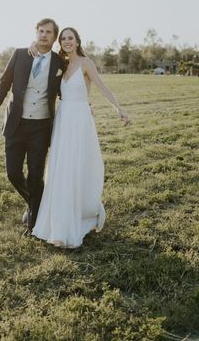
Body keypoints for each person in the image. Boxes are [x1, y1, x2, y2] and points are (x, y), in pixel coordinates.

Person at [31, 27, 130, 248]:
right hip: (63, 119)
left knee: (75, 168)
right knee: (60, 168)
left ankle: (75, 221)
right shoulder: (59, 63)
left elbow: (103, 87)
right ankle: (55, 222)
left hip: (80, 121)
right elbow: (40, 54)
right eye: (63, 38)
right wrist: (33, 46)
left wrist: (118, 109)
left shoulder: (86, 63)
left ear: (77, 41)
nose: (67, 41)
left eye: (70, 38)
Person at [0, 19, 65, 234]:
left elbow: (64, 89)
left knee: (35, 175)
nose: (43, 35)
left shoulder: (60, 62)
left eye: (48, 32)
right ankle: (36, 205)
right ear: (36, 33)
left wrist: (82, 104)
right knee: (13, 173)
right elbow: (4, 82)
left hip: (41, 127)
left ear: (54, 37)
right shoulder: (20, 54)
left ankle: (33, 225)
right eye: (41, 31)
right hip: (16, 124)